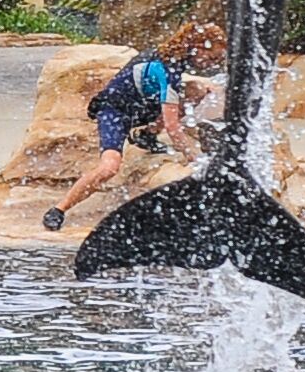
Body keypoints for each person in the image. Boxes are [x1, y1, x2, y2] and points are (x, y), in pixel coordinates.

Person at [43, 24, 226, 233]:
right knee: (109, 168)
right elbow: (173, 127)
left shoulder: (170, 55)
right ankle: (58, 209)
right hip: (115, 113)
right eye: (211, 58)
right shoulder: (168, 71)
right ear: (197, 47)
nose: (211, 64)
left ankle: (147, 136)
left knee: (197, 89)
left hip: (140, 107)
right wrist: (193, 158)